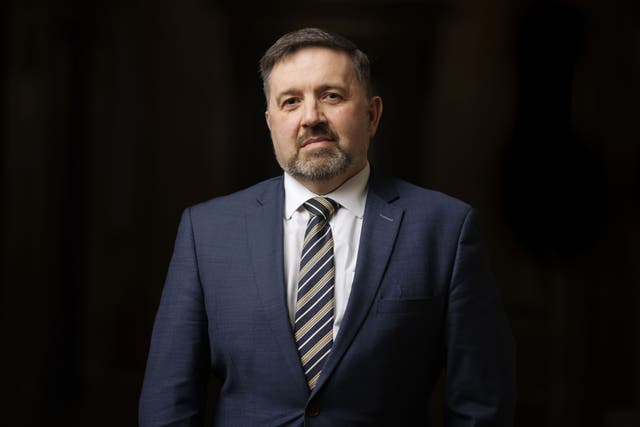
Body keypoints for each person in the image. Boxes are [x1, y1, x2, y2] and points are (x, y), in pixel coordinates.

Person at [139, 28, 516, 426]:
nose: (311, 118)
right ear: (271, 123)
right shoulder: (206, 232)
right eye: (290, 102)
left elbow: (481, 405)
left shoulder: (446, 229)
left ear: (372, 115)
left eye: (331, 96)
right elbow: (169, 402)